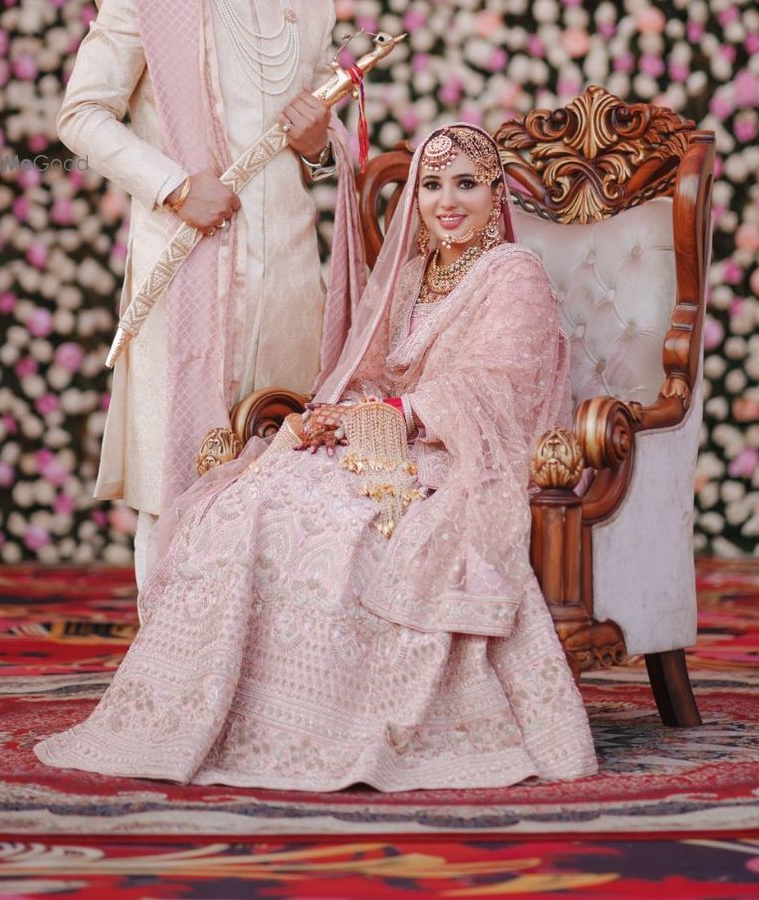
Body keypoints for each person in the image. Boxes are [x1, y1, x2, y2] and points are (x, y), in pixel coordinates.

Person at [35, 125, 598, 791]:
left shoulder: (513, 273)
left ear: (496, 191)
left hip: (458, 461)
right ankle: (225, 710)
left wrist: (397, 415)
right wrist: (337, 417)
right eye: (432, 183)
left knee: (334, 521)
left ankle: (324, 722)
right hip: (388, 444)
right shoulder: (415, 276)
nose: (448, 200)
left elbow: (503, 383)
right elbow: (374, 375)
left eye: (467, 183)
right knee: (259, 491)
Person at [55, 0, 362, 586]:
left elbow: (332, 153)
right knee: (176, 469)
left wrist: (314, 141)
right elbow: (80, 116)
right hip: (185, 257)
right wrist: (178, 186)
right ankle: (171, 671)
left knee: (282, 465)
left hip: (290, 270)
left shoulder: (310, 1)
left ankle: (262, 662)